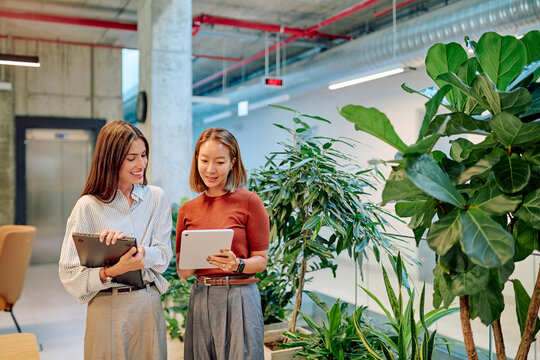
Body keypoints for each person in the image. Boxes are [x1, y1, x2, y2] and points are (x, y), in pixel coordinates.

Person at [58, 120, 172, 360]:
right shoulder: (88, 206)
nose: (141, 164)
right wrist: (111, 270)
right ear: (111, 159)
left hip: (148, 303)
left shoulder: (157, 198)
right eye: (131, 158)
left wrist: (141, 253)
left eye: (143, 155)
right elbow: (69, 274)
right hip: (106, 305)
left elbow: (163, 257)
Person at [176, 127, 270, 360]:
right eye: (204, 160)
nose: (210, 169)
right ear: (196, 159)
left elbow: (261, 260)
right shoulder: (188, 210)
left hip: (239, 295)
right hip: (201, 295)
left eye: (219, 162)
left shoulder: (249, 201)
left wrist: (237, 264)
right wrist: (187, 265)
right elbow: (183, 271)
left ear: (232, 163)